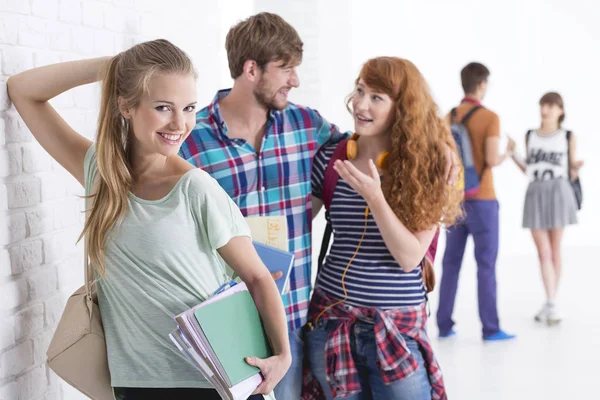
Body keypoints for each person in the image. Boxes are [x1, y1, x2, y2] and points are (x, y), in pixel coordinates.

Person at [178, 13, 460, 399]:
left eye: (375, 95)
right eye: (287, 69)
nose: (295, 80)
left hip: (292, 315)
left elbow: (376, 139)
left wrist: (438, 148)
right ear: (251, 70)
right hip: (226, 316)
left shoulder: (307, 128)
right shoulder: (192, 140)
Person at [7, 39, 290, 400]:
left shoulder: (195, 189)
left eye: (188, 108)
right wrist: (113, 67)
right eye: (162, 107)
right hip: (135, 383)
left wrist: (282, 355)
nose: (180, 123)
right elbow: (23, 90)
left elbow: (257, 276)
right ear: (126, 105)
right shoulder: (100, 172)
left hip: (212, 382)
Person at [304, 57, 463, 400]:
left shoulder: (429, 168)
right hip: (331, 323)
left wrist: (376, 198)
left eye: (377, 97)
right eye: (360, 90)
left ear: (402, 108)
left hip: (396, 331)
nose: (361, 104)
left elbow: (408, 257)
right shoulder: (331, 159)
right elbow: (295, 228)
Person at [436, 62, 517, 341]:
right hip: (483, 200)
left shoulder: (448, 117)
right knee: (486, 265)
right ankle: (490, 328)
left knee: (450, 264)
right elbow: (492, 159)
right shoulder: (490, 117)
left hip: (455, 200)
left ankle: (444, 325)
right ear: (482, 84)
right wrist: (508, 152)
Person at [511, 92, 583, 325]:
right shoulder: (530, 135)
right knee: (543, 251)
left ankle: (551, 300)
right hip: (536, 190)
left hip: (559, 190)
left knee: (554, 248)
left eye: (552, 106)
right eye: (544, 104)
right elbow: (529, 169)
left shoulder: (568, 136)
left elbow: (571, 170)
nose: (547, 109)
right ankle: (551, 301)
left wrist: (576, 169)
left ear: (561, 110)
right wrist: (513, 154)